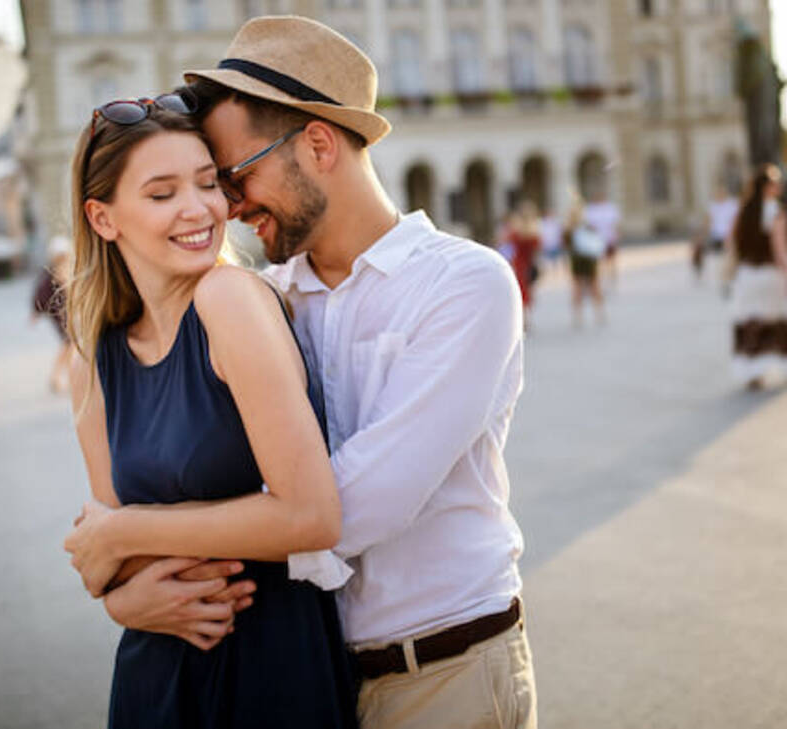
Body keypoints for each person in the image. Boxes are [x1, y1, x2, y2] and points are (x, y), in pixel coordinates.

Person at [77, 15, 537, 728]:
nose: (227, 205)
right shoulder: (274, 295)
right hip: (316, 667)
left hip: (443, 671)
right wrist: (123, 595)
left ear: (317, 144)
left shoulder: (464, 286)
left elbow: (348, 507)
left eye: (234, 175)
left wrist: (126, 535)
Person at [60, 92, 356, 727]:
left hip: (270, 670)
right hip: (154, 676)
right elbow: (108, 572)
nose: (200, 209)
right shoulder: (96, 357)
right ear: (103, 218)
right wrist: (122, 600)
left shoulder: (230, 299)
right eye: (162, 193)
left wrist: (124, 532)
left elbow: (311, 515)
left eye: (206, 183)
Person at [722, 165, 787, 389]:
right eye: (776, 182)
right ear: (768, 187)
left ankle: (752, 372)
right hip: (769, 274)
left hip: (746, 275)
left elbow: (730, 243)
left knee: (751, 323)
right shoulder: (775, 211)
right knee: (779, 321)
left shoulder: (742, 211)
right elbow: (780, 250)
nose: (779, 186)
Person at [31, 236, 75, 393]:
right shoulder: (50, 273)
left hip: (66, 313)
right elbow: (40, 295)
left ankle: (68, 376)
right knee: (68, 344)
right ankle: (56, 377)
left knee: (69, 346)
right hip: (58, 314)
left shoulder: (65, 268)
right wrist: (35, 312)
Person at [565, 195, 607, 329]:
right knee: (593, 287)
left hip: (579, 260)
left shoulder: (571, 229)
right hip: (587, 260)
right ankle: (598, 314)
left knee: (581, 288)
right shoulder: (584, 227)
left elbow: (566, 246)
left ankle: (580, 317)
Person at [509, 201, 542, 329]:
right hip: (529, 264)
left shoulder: (516, 231)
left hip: (519, 264)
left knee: (520, 291)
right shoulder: (533, 231)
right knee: (527, 291)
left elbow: (508, 244)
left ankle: (523, 320)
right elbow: (538, 248)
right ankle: (526, 319)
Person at [581, 191, 621, 290]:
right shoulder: (590, 209)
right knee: (597, 261)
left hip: (609, 238)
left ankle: (612, 280)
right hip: (595, 240)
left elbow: (616, 223)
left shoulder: (610, 208)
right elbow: (587, 225)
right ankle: (598, 280)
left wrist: (617, 235)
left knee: (611, 260)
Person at [702, 183, 739, 279]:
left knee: (730, 258)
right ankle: (722, 277)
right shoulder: (713, 206)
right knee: (718, 258)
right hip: (717, 236)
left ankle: (730, 276)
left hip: (730, 235)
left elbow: (736, 220)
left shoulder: (732, 204)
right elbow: (708, 221)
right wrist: (704, 234)